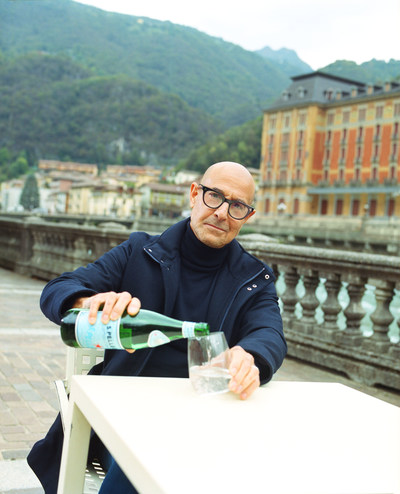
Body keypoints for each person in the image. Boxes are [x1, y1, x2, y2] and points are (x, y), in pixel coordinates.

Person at [27, 161, 287, 493]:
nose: (222, 212)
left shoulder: (255, 279)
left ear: (246, 216)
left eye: (236, 205)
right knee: (144, 466)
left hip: (206, 421)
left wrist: (249, 354)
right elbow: (58, 288)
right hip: (126, 415)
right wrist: (87, 303)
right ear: (194, 194)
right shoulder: (139, 251)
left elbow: (270, 334)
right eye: (214, 197)